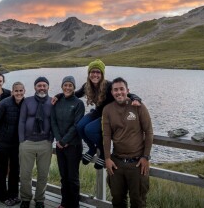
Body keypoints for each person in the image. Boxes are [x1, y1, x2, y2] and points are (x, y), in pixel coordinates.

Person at [53, 59, 141, 169]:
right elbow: (75, 94)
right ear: (89, 74)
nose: (95, 74)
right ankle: (92, 148)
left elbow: (127, 93)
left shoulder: (109, 85)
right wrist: (59, 95)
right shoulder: (87, 86)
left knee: (89, 129)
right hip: (98, 112)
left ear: (102, 74)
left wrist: (136, 99)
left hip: (110, 115)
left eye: (98, 72)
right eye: (92, 72)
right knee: (80, 126)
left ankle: (104, 153)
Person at [102, 77, 153, 208]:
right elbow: (106, 135)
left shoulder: (138, 106)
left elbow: (149, 132)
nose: (119, 92)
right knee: (118, 200)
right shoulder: (107, 110)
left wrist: (146, 156)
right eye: (115, 90)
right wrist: (107, 158)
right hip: (116, 163)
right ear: (112, 92)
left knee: (138, 201)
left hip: (137, 164)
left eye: (121, 89)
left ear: (127, 90)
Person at [19, 77, 53, 208]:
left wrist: (51, 139)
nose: (42, 88)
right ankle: (26, 198)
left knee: (43, 173)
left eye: (44, 85)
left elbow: (54, 121)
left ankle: (40, 199)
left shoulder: (52, 101)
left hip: (45, 143)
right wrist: (22, 140)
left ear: (48, 87)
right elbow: (22, 121)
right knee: (25, 173)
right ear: (35, 87)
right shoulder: (27, 101)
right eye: (39, 85)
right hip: (28, 142)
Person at [50, 76, 85, 208]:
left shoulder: (78, 103)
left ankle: (74, 205)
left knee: (72, 178)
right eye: (65, 85)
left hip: (73, 146)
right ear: (62, 86)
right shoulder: (57, 101)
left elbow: (76, 125)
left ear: (74, 87)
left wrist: (64, 141)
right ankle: (64, 203)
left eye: (70, 85)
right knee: (63, 177)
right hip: (60, 145)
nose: (68, 87)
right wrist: (59, 140)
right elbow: (53, 121)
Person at [0, 81, 25, 206]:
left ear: (24, 91)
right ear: (12, 92)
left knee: (15, 171)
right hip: (2, 143)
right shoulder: (4, 104)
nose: (19, 93)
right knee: (1, 170)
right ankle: (1, 195)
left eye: (21, 90)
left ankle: (13, 195)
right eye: (16, 91)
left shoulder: (25, 104)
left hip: (16, 144)